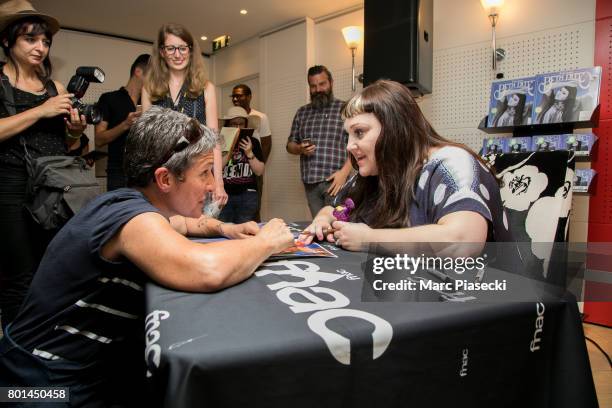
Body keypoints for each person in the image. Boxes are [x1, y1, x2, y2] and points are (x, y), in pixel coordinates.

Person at [0, 106, 294, 406]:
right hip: (36, 385)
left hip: (77, 371)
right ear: (164, 179)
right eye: (204, 172)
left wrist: (225, 228)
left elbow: (182, 223)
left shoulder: (131, 203)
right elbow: (207, 269)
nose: (211, 185)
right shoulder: (132, 221)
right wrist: (268, 241)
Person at [300, 80, 512, 251]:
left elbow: (463, 241)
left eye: (360, 132)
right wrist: (323, 219)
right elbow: (335, 209)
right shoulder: (375, 171)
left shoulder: (451, 163)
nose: (349, 146)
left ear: (394, 128)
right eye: (348, 136)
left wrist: (369, 239)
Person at [0, 1, 87, 329]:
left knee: (53, 271)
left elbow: (69, 145)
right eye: (30, 39)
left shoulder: (56, 88)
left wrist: (76, 132)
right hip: (10, 187)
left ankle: (44, 344)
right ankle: (16, 361)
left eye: (45, 41)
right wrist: (40, 110)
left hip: (53, 189)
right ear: (8, 41)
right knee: (18, 278)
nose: (40, 47)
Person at [142, 23, 227, 206]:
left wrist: (219, 182)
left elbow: (214, 140)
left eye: (182, 48)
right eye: (171, 48)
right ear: (162, 52)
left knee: (198, 229)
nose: (178, 54)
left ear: (190, 50)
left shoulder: (206, 88)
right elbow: (145, 143)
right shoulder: (149, 89)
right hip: (162, 176)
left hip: (196, 175)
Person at [286, 65, 352, 217]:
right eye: (313, 86)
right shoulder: (302, 112)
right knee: (319, 228)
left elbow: (356, 147)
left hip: (336, 183)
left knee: (337, 227)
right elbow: (290, 145)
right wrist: (299, 149)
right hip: (310, 185)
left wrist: (344, 173)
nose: (318, 90)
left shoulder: (345, 109)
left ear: (331, 83)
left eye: (322, 84)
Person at [95, 53, 150, 191]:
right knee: (120, 212)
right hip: (118, 173)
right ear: (138, 72)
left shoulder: (150, 104)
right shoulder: (109, 99)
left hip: (144, 173)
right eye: (152, 75)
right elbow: (99, 139)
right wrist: (126, 124)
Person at [231, 84, 271, 221]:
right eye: (234, 96)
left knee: (253, 208)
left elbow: (266, 144)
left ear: (249, 97)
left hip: (253, 168)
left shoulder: (260, 117)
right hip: (232, 172)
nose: (236, 99)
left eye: (239, 95)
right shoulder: (231, 117)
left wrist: (257, 165)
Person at [219, 106, 265, 223]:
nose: (238, 127)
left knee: (245, 232)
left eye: (241, 124)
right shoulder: (219, 142)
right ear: (228, 125)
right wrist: (228, 150)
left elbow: (259, 171)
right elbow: (216, 170)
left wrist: (249, 153)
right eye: (234, 124)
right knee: (224, 230)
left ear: (246, 124)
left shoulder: (253, 141)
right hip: (224, 195)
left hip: (248, 195)